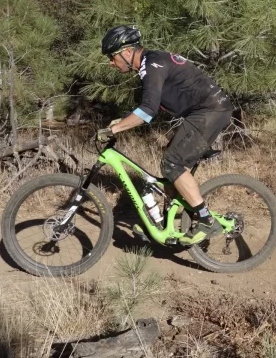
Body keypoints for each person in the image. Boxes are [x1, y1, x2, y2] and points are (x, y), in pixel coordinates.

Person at [96, 25, 233, 245]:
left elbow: (148, 111)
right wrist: (120, 123)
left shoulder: (152, 65)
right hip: (205, 111)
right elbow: (146, 106)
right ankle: (164, 224)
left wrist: (114, 129)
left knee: (172, 164)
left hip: (211, 111)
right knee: (169, 166)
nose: (111, 63)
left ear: (128, 52)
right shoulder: (151, 62)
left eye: (112, 57)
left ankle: (207, 221)